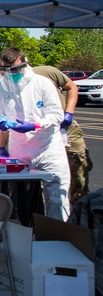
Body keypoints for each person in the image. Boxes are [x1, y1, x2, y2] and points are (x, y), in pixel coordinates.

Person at [0, 47, 69, 221]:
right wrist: (0, 123)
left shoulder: (42, 84)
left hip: (47, 149)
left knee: (57, 199)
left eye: (14, 70)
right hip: (20, 151)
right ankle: (23, 236)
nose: (11, 74)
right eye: (6, 70)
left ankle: (57, 236)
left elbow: (56, 115)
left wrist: (35, 125)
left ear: (25, 63)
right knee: (20, 199)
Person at [32, 64, 91, 207]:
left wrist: (69, 112)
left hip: (66, 128)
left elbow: (72, 87)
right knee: (47, 179)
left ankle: (80, 214)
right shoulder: (8, 85)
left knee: (79, 169)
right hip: (41, 133)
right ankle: (50, 219)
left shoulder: (45, 72)